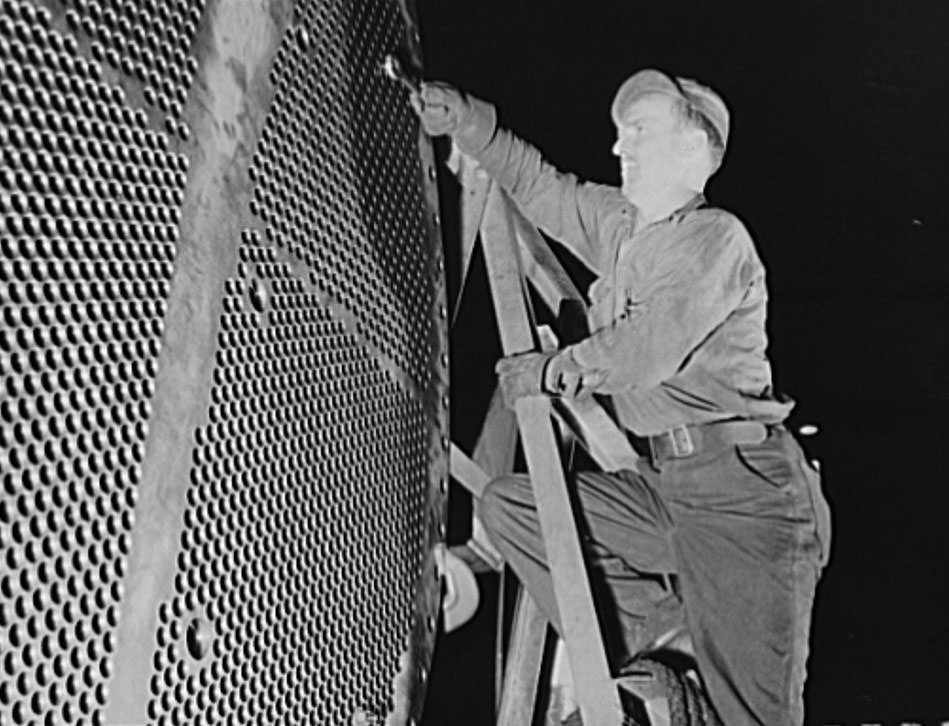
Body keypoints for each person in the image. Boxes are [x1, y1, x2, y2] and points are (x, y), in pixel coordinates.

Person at [411, 69, 831, 726]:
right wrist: (472, 125)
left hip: (746, 496)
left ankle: (690, 659)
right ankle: (665, 642)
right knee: (512, 508)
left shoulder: (715, 238)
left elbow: (648, 347)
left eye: (639, 130)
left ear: (693, 150)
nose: (618, 147)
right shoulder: (622, 227)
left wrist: (554, 370)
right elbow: (546, 190)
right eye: (618, 132)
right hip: (666, 488)